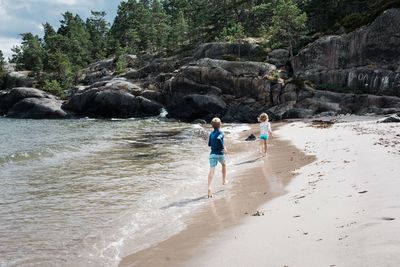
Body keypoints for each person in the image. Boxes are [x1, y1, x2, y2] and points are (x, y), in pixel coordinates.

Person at [207, 117, 227, 198]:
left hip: (212, 154)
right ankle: (224, 180)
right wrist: (223, 148)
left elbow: (209, 144)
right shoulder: (221, 133)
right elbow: (219, 139)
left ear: (212, 126)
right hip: (220, 154)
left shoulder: (211, 134)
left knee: (212, 169)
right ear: (220, 125)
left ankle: (209, 187)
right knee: (224, 165)